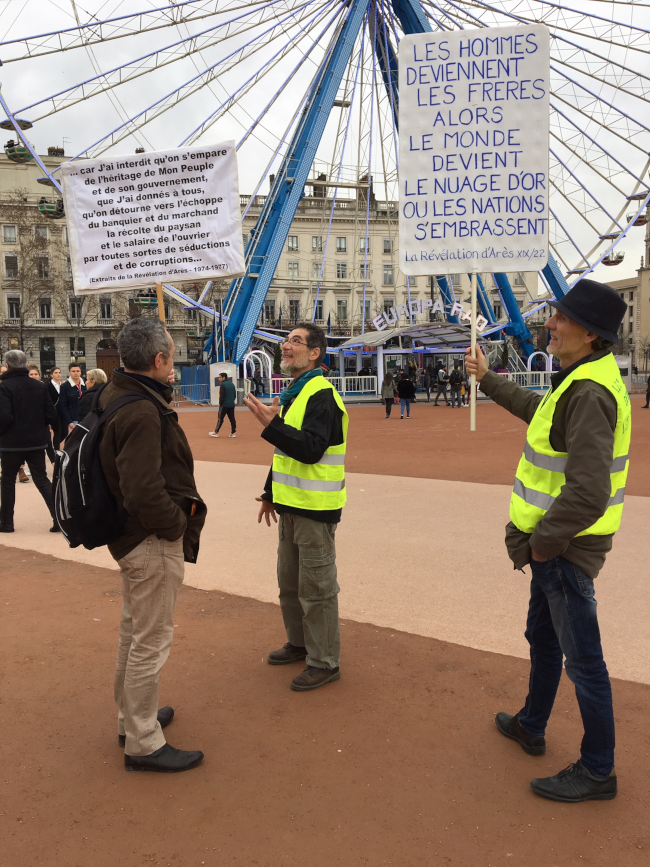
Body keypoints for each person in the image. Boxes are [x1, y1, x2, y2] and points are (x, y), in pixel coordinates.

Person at [465, 278, 629, 803]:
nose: (549, 324)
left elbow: (587, 491)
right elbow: (539, 411)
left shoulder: (590, 391)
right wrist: (489, 380)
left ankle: (598, 769)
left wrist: (543, 545)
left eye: (559, 318)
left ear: (589, 332)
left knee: (584, 661)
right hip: (554, 549)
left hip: (563, 551)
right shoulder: (579, 379)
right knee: (545, 639)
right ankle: (532, 723)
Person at [98, 318, 206, 773]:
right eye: (171, 356)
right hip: (148, 538)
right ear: (159, 359)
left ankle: (132, 718)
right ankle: (142, 741)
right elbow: (143, 488)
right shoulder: (143, 409)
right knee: (151, 640)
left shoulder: (117, 394)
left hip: (127, 535)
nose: (174, 364)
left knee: (133, 633)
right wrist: (175, 525)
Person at [244, 322, 346, 693]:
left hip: (315, 510)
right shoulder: (295, 393)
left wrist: (272, 425)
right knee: (290, 583)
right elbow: (286, 452)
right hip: (290, 505)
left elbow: (310, 449)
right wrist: (270, 491)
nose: (286, 345)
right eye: (286, 340)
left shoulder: (321, 395)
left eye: (295, 341)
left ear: (315, 353)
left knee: (317, 588)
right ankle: (301, 644)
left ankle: (325, 661)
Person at [0, 350, 59, 533]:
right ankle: (59, 519)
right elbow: (51, 414)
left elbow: (5, 416)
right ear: (26, 365)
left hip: (11, 442)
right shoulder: (39, 386)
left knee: (8, 481)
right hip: (36, 441)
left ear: (7, 366)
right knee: (42, 479)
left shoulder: (4, 386)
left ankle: (7, 523)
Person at [59, 363, 86, 434]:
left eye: (78, 371)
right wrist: (69, 421)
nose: (76, 373)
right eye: (73, 371)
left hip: (85, 418)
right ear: (69, 372)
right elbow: (62, 405)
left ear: (80, 372)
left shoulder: (85, 385)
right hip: (73, 420)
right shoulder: (64, 386)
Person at [209, 372, 237, 438]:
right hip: (231, 405)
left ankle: (216, 432)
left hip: (224, 405)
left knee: (220, 419)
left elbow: (221, 396)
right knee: (232, 419)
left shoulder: (223, 385)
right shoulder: (232, 384)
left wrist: (220, 404)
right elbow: (234, 395)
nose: (219, 379)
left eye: (220, 377)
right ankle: (233, 433)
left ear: (224, 377)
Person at [46, 367, 64, 449]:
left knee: (65, 432)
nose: (58, 374)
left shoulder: (63, 385)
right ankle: (56, 450)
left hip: (63, 411)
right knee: (57, 431)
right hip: (54, 412)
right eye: (56, 373)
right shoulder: (48, 386)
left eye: (59, 372)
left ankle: (57, 446)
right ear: (52, 375)